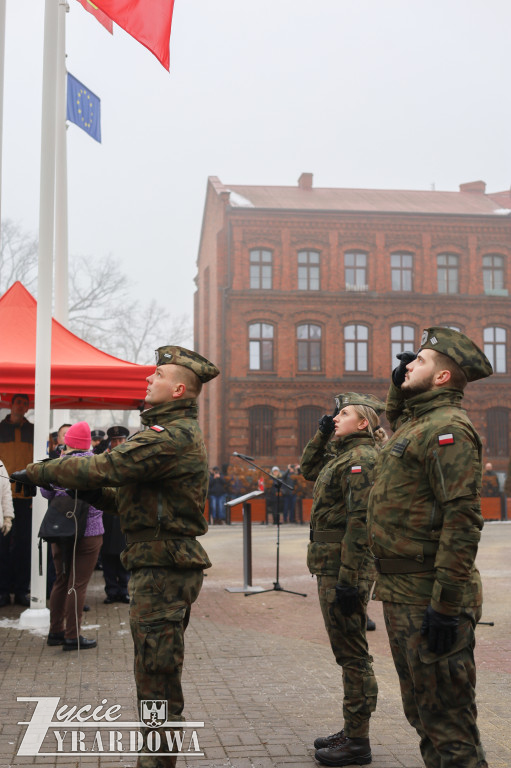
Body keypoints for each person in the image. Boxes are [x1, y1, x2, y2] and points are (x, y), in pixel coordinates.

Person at [17, 345, 219, 768]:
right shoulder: (168, 436)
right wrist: (90, 493)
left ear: (179, 388)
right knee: (153, 672)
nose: (149, 379)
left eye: (158, 375)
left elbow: (103, 467)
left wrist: (42, 470)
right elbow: (125, 497)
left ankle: (157, 763)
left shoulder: (170, 437)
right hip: (159, 562)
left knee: (157, 677)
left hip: (164, 567)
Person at [368, 327, 492, 768]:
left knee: (449, 726)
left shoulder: (449, 430)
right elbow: (394, 410)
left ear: (442, 378)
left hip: (428, 598)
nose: (406, 365)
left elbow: (463, 522)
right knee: (423, 716)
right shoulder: (418, 423)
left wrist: (445, 605)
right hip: (403, 593)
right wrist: (397, 380)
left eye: (418, 361)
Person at [301, 392, 386, 767]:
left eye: (345, 413)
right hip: (331, 564)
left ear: (364, 422)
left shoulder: (363, 460)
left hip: (342, 568)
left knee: (353, 655)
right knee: (346, 651)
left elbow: (360, 523)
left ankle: (358, 741)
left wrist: (351, 580)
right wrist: (320, 435)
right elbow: (306, 469)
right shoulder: (343, 455)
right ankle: (351, 729)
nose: (336, 417)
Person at [42, 421, 103, 650]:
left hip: (59, 531)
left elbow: (45, 491)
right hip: (88, 532)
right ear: (87, 442)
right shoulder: (96, 464)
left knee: (61, 580)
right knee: (77, 584)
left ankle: (55, 631)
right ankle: (72, 635)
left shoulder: (57, 464)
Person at [0, 394, 34, 607]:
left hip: (25, 497)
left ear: (28, 408)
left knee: (24, 545)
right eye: (18, 402)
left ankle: (22, 590)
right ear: (10, 405)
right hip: (3, 496)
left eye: (25, 403)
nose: (20, 406)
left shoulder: (33, 431)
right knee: (2, 546)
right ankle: (3, 590)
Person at [101, 425, 130, 604]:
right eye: (115, 440)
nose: (118, 443)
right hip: (105, 512)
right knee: (107, 555)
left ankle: (124, 590)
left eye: (121, 440)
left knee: (124, 553)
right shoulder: (104, 459)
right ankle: (111, 591)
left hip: (124, 513)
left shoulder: (132, 459)